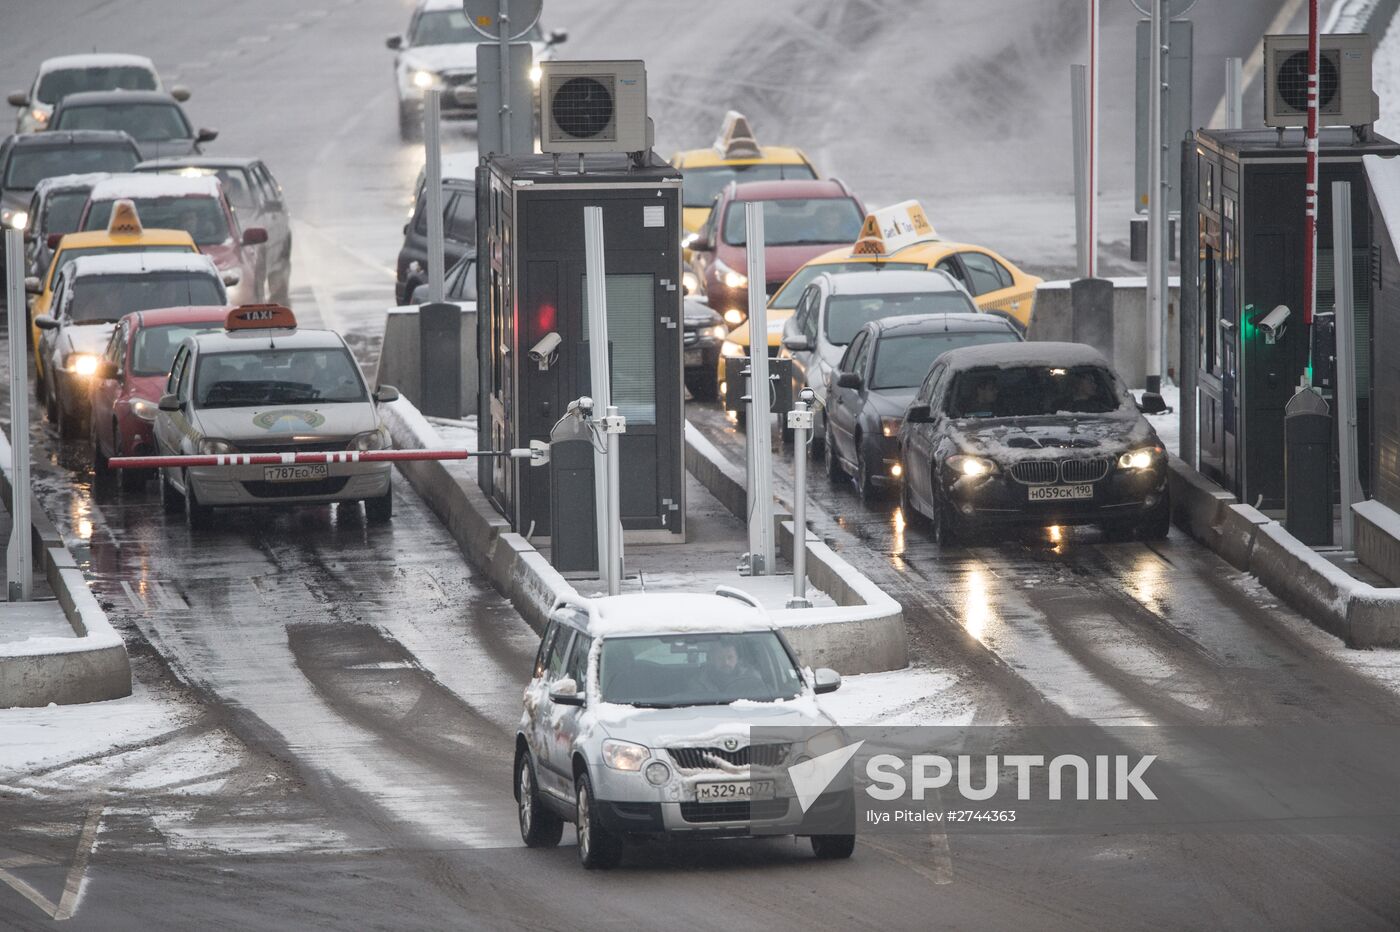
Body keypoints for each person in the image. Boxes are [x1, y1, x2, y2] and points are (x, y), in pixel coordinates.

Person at [698, 638, 765, 696]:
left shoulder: (751, 678)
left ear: (737, 658)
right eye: (720, 658)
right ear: (713, 659)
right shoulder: (700, 681)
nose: (726, 662)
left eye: (730, 657)